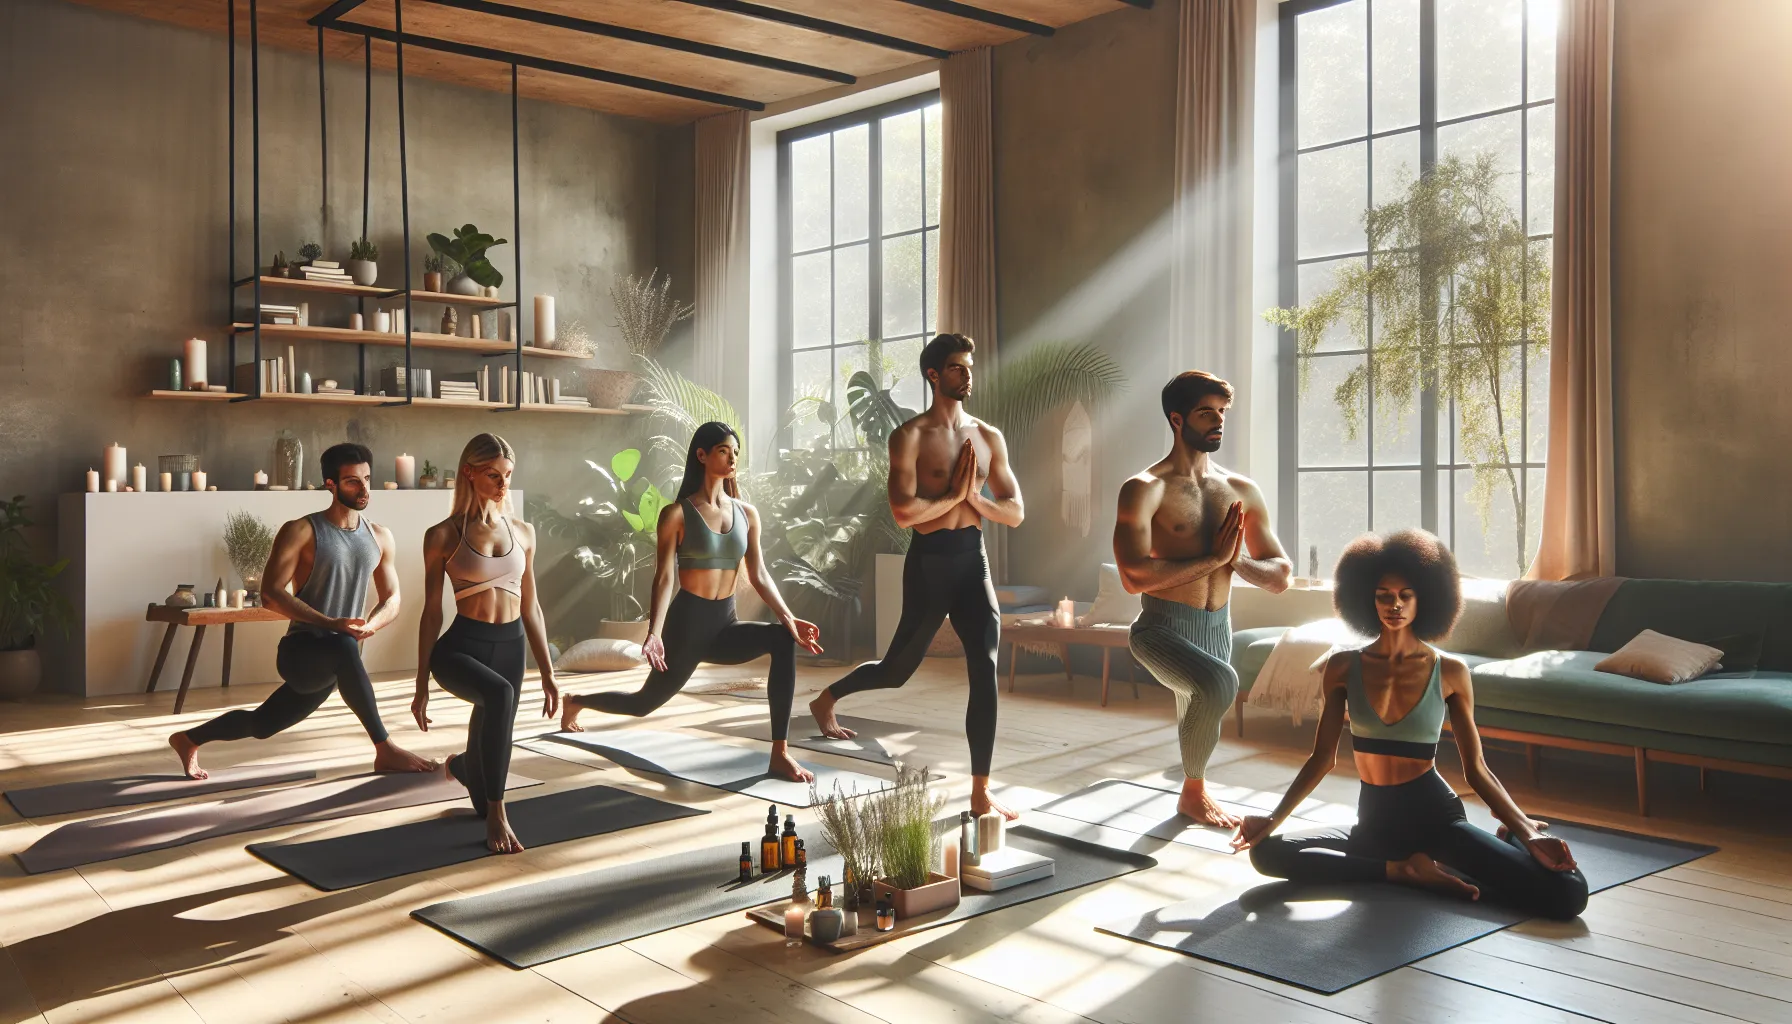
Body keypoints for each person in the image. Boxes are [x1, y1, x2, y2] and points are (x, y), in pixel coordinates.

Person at [1231, 530, 1588, 919]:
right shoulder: (1341, 667)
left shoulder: (1449, 671)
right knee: (1267, 852)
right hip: (1372, 823)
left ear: (1426, 599)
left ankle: (1507, 839)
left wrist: (1528, 833)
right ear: (1367, 598)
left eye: (1406, 596)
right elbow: (1322, 759)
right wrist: (1273, 817)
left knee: (1568, 895)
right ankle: (1400, 870)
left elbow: (1477, 769)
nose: (1394, 605)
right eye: (1384, 595)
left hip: (1436, 822)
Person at [809, 333, 1026, 820]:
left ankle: (979, 790)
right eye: (955, 367)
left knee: (984, 670)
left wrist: (973, 500)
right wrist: (959, 495)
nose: (966, 374)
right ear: (933, 374)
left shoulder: (989, 437)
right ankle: (827, 698)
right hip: (929, 562)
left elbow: (1014, 512)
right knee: (897, 669)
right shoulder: (908, 436)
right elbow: (905, 513)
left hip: (974, 560)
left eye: (968, 366)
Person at [560, 421, 824, 783]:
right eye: (723, 451)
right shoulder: (677, 514)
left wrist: (790, 620)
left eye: (735, 453)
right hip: (686, 627)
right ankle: (576, 701)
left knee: (781, 640)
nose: (732, 459)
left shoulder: (747, 514)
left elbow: (759, 573)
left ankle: (780, 754)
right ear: (701, 455)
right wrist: (654, 633)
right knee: (642, 705)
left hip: (724, 625)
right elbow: (664, 577)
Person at [170, 443, 435, 780]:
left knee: (262, 724)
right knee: (342, 645)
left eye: (367, 478)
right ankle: (385, 750)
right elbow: (270, 594)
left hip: (339, 661)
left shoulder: (380, 536)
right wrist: (330, 623)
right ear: (331, 484)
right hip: (302, 652)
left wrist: (371, 625)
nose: (364, 488)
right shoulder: (302, 531)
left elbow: (393, 597)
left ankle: (188, 739)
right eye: (353, 481)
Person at [1114, 371, 1291, 827]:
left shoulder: (1241, 490)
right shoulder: (1145, 488)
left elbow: (1280, 575)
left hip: (1218, 627)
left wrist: (1235, 562)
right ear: (1177, 419)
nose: (1218, 422)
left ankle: (1198, 788)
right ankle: (1191, 795)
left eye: (1222, 413)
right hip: (1159, 628)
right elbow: (1134, 577)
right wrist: (1215, 558)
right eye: (1205, 413)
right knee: (1217, 686)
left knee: (1204, 705)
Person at [411, 434, 560, 854]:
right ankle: (499, 813)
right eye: (493, 475)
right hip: (460, 648)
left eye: (508, 475)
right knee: (499, 695)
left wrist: (548, 673)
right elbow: (431, 613)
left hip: (510, 647)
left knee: (494, 734)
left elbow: (532, 608)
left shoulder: (524, 533)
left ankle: (462, 768)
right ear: (469, 472)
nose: (502, 484)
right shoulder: (442, 535)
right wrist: (421, 684)